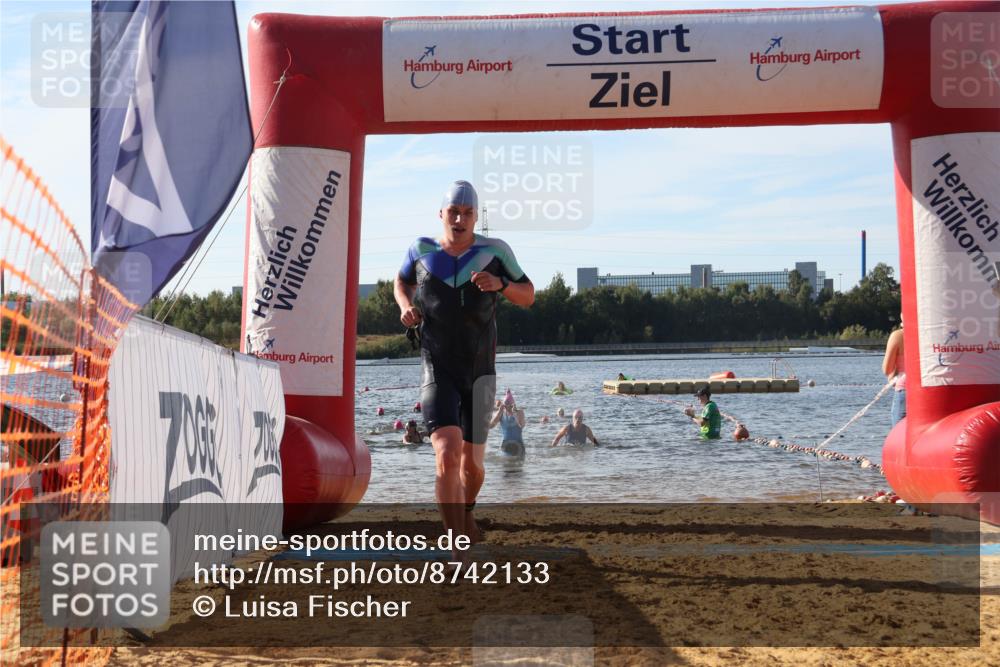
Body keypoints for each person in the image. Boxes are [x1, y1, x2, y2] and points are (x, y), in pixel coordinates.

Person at [394, 180, 534, 559]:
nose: (459, 220)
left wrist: (501, 284)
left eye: (467, 213)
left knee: (472, 467)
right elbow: (401, 281)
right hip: (437, 367)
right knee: (446, 453)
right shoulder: (421, 250)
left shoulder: (495, 251)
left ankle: (468, 512)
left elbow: (528, 295)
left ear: (475, 217)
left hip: (480, 372)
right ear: (441, 214)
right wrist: (405, 305)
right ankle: (457, 548)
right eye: (453, 213)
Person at [883, 314, 906, 427]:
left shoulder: (898, 335)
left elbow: (887, 369)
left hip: (905, 388)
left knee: (899, 431)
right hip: (929, 387)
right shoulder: (929, 334)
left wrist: (893, 373)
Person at [489, 390, 526, 457]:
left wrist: (514, 414)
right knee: (506, 463)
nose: (507, 408)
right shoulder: (501, 413)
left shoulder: (519, 412)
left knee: (519, 463)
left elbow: (521, 425)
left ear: (513, 405)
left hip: (519, 444)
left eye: (510, 406)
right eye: (505, 406)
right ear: (503, 405)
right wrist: (499, 412)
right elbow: (491, 426)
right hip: (506, 445)